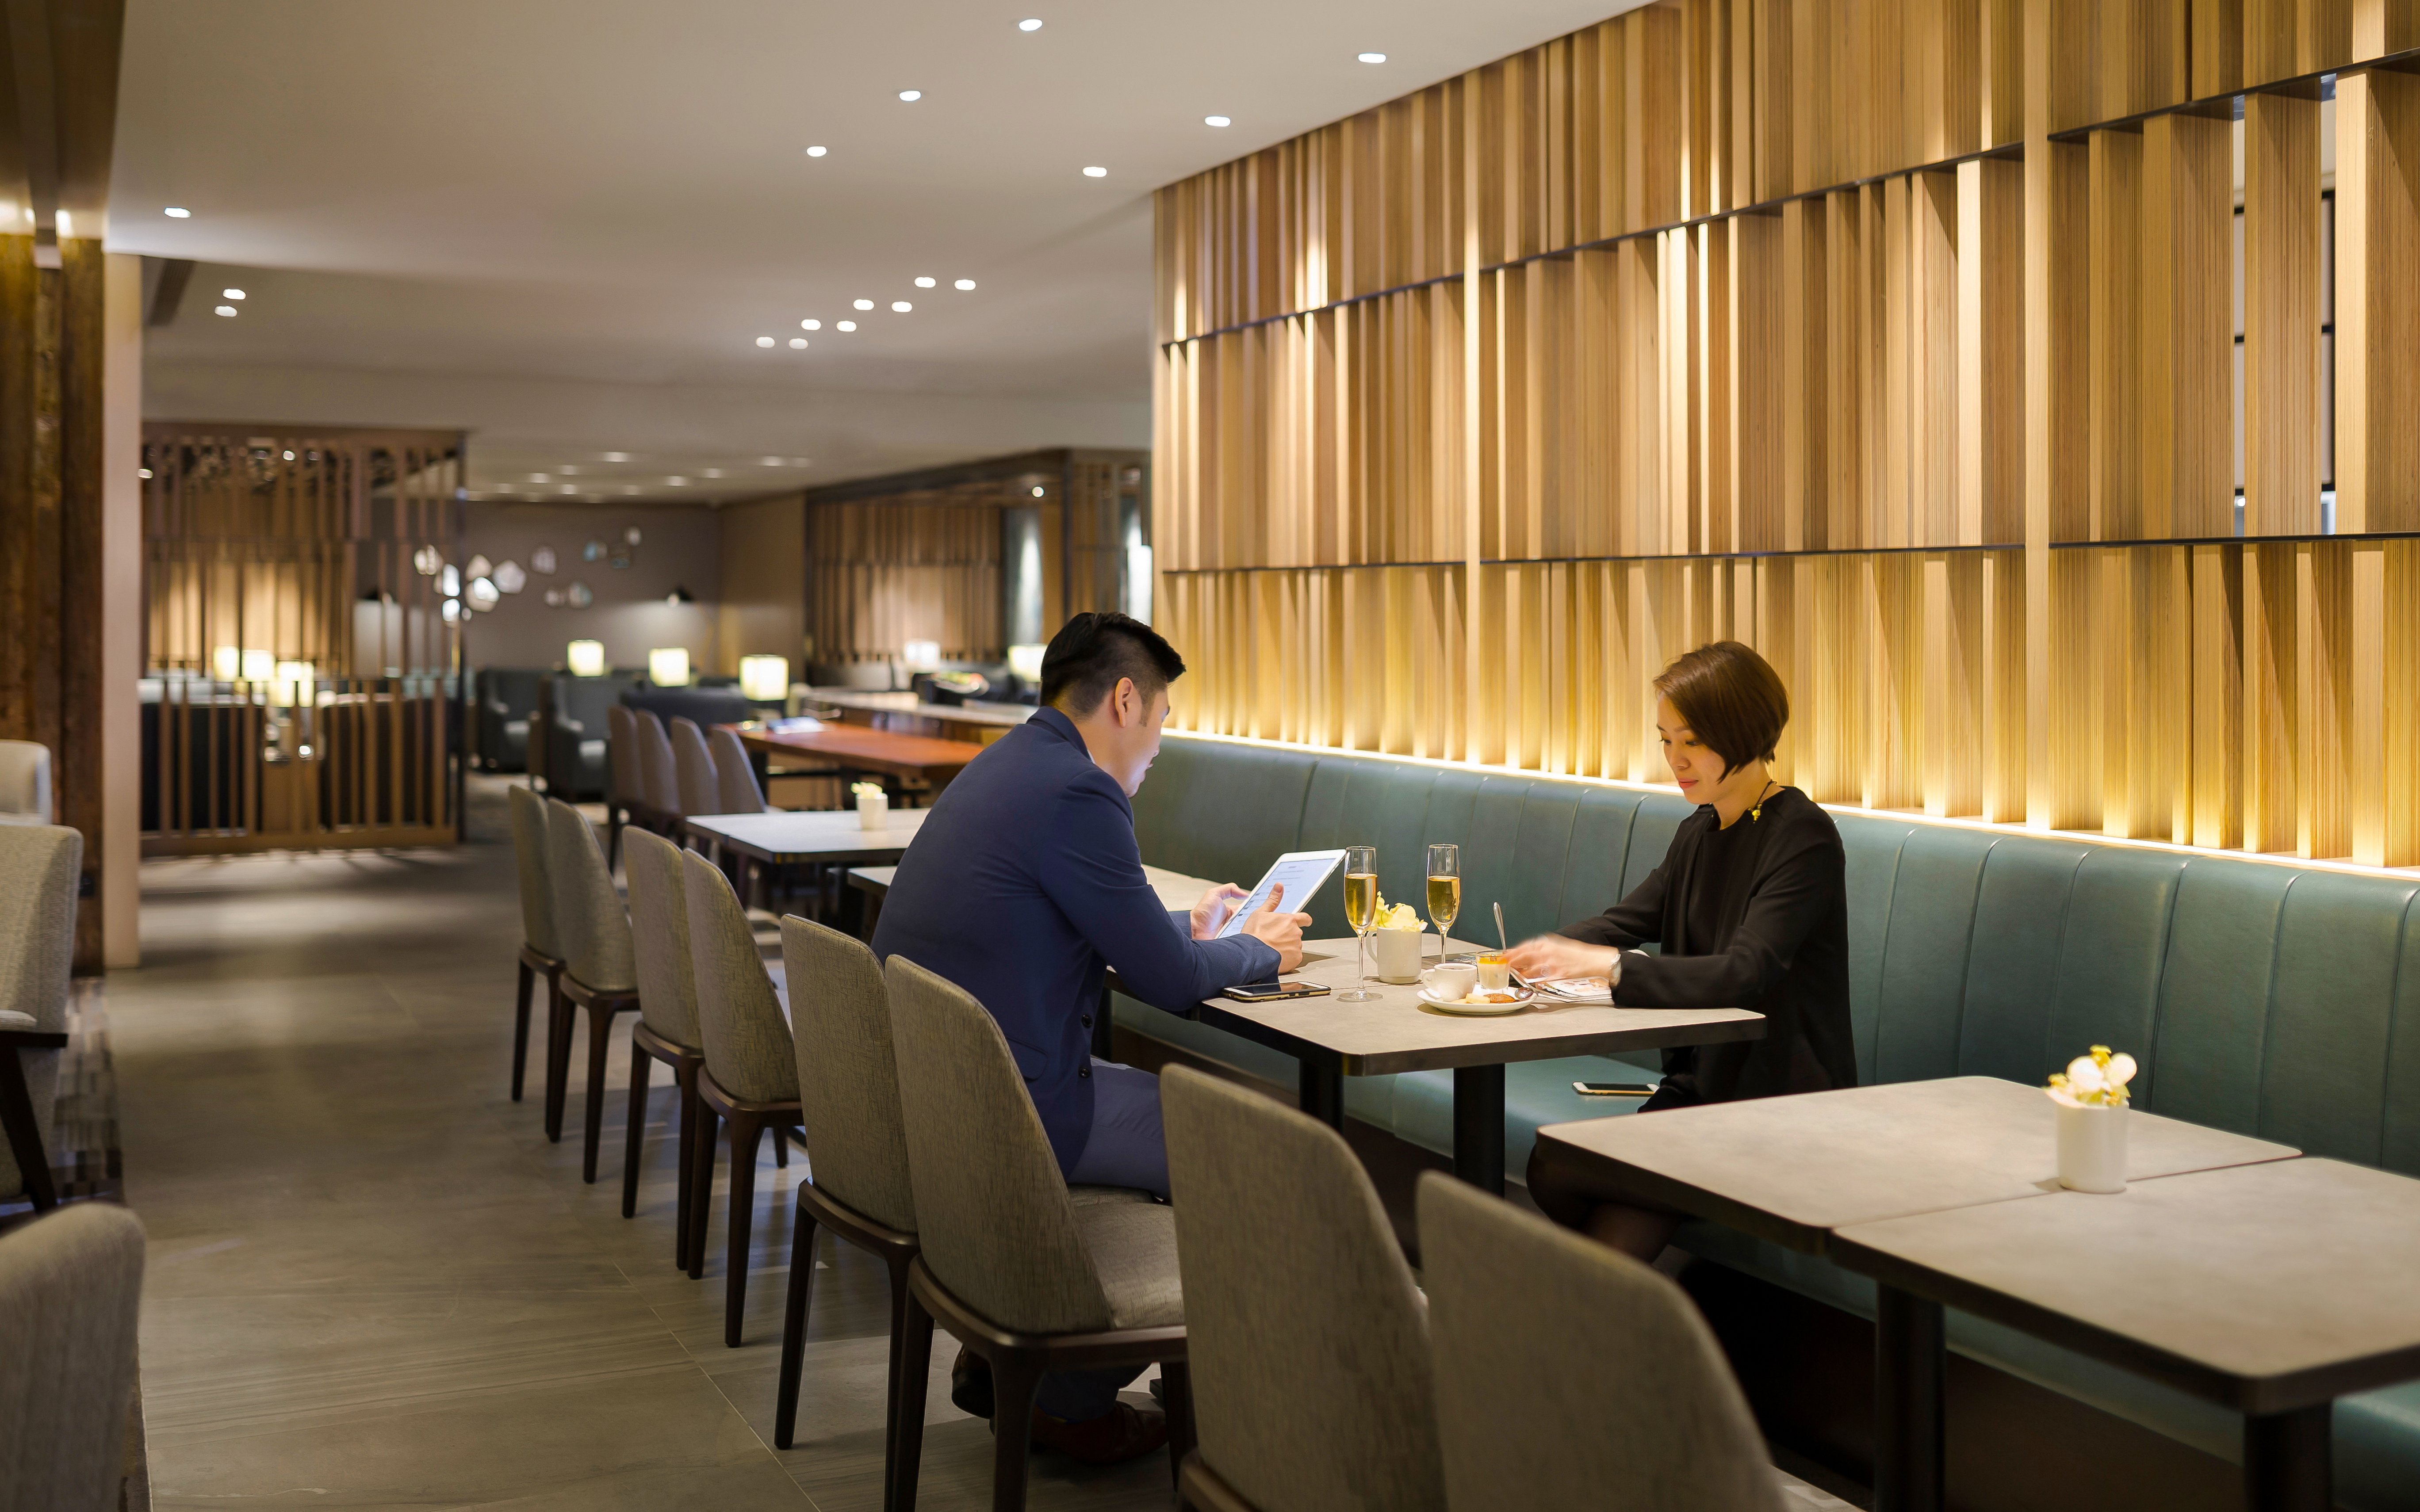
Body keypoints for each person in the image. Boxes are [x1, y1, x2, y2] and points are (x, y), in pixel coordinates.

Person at [870, 610, 1310, 1463]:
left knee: (1187, 1116)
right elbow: (1171, 983)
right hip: (1010, 1109)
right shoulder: (1081, 792)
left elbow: (1072, 920)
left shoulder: (1009, 764)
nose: (1158, 746)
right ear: (1124, 700)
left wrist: (1188, 920)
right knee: (1236, 1147)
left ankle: (1027, 1371)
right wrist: (1263, 950)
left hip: (941, 1090)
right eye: (1162, 720)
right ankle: (1076, 1402)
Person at [1506, 640, 1855, 1262]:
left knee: (1566, 1173)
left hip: (1778, 1105)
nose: (1675, 759)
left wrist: (1610, 969)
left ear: (1742, 731)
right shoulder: (1699, 831)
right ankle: (1618, 1349)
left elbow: (1745, 972)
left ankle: (1576, 1347)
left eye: (1690, 740)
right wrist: (1538, 955)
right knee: (1559, 1168)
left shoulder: (1802, 835)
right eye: (1665, 739)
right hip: (1701, 1092)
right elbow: (1626, 920)